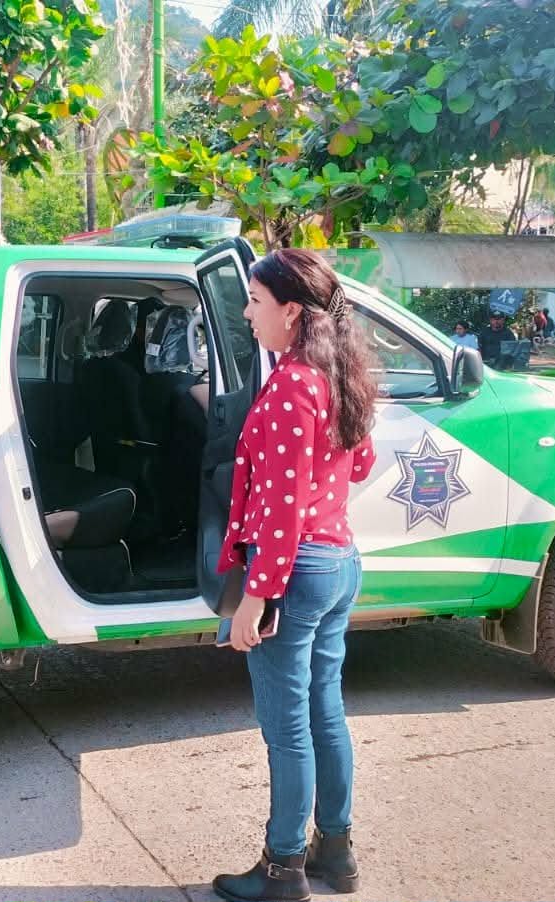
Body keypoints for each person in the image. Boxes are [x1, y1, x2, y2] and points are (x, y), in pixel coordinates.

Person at [211, 248, 377, 902]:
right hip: (337, 562)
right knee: (324, 712)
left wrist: (256, 598)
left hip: (296, 567)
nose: (246, 313)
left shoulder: (290, 388)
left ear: (290, 311)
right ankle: (335, 852)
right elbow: (358, 465)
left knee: (287, 731)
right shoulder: (337, 377)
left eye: (255, 301)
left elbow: (280, 509)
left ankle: (283, 868)